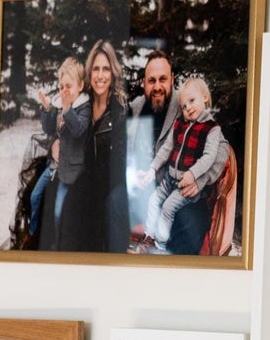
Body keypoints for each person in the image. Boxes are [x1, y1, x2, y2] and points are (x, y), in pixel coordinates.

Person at [146, 76, 229, 254]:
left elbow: (211, 156)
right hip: (169, 179)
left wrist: (194, 176)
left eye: (192, 101)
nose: (188, 108)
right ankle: (149, 235)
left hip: (185, 185)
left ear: (205, 98)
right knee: (154, 200)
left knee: (169, 208)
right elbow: (166, 149)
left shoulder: (211, 129)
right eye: (184, 106)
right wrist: (152, 168)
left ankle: (160, 244)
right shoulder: (179, 124)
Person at [32, 58, 88, 251]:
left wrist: (66, 109)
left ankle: (58, 246)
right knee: (34, 196)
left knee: (58, 212)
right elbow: (49, 129)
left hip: (69, 171)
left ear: (80, 86)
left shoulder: (83, 107)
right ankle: (32, 233)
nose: (64, 91)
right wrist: (48, 108)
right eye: (62, 86)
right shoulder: (61, 103)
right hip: (54, 165)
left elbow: (79, 130)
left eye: (69, 86)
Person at [85, 40, 131, 254]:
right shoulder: (81, 104)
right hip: (82, 180)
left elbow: (120, 165)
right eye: (96, 69)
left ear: (112, 73)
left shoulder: (120, 111)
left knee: (112, 206)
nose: (100, 76)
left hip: (110, 185)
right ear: (89, 72)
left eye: (105, 69)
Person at [127, 53, 176, 235]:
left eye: (163, 79)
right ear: (144, 83)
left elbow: (219, 144)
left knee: (191, 228)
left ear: (172, 79)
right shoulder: (136, 108)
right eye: (151, 80)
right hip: (140, 191)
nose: (157, 87)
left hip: (173, 193)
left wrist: (196, 178)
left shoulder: (185, 105)